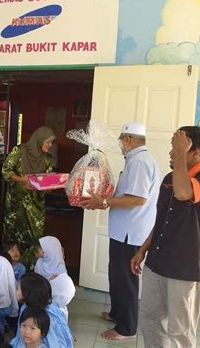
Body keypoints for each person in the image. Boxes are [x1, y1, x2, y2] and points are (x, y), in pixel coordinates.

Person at [80, 121, 161, 341]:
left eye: (121, 139)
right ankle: (118, 313)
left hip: (131, 233)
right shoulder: (135, 160)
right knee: (116, 274)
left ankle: (127, 328)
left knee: (125, 279)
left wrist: (105, 201)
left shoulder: (141, 162)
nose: (119, 143)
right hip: (123, 231)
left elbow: (138, 198)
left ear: (129, 140)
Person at [131, 126, 200, 347]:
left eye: (177, 150)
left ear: (196, 152)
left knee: (180, 332)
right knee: (149, 319)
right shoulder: (168, 178)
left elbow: (184, 193)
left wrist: (180, 152)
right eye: (172, 149)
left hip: (184, 269)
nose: (172, 154)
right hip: (156, 263)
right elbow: (162, 221)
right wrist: (142, 249)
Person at [2, 126, 56, 266]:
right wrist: (22, 180)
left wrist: (50, 186)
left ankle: (29, 269)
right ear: (39, 140)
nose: (50, 145)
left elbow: (47, 181)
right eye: (48, 142)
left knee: (34, 238)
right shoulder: (19, 151)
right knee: (13, 235)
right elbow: (6, 170)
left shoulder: (47, 160)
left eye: (51, 142)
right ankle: (10, 267)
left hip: (35, 206)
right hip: (16, 204)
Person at [12, 273, 73, 348]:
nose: (15, 291)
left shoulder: (47, 315)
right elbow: (20, 337)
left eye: (17, 289)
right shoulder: (25, 307)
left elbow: (53, 343)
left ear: (27, 293)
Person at [34, 236, 75, 321]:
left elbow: (62, 291)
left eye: (41, 248)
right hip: (41, 296)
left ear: (50, 250)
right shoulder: (39, 262)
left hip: (54, 301)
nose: (38, 250)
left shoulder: (60, 267)